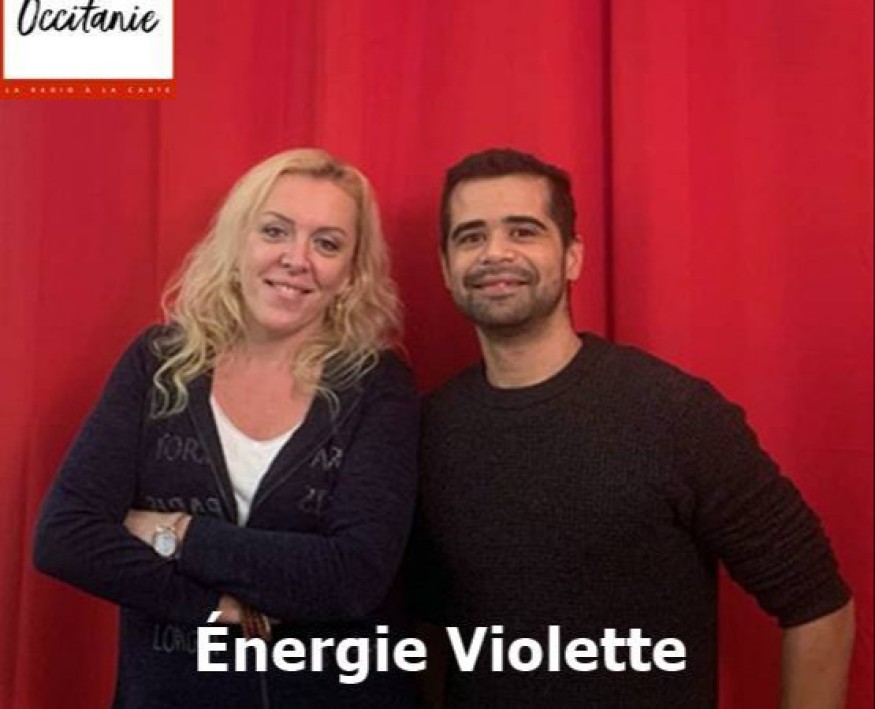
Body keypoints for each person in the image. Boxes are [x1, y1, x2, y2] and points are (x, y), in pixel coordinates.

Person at [407, 148, 855, 708]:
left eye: (523, 231)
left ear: (573, 257)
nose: (495, 252)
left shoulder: (674, 413)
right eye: (471, 236)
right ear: (446, 268)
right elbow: (426, 627)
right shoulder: (427, 429)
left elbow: (818, 603)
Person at [34, 148, 419, 708]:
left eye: (327, 243)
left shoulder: (378, 384)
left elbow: (352, 576)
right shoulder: (158, 363)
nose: (296, 259)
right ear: (238, 242)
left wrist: (175, 533)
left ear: (351, 274)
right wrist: (214, 610)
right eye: (274, 231)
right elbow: (65, 538)